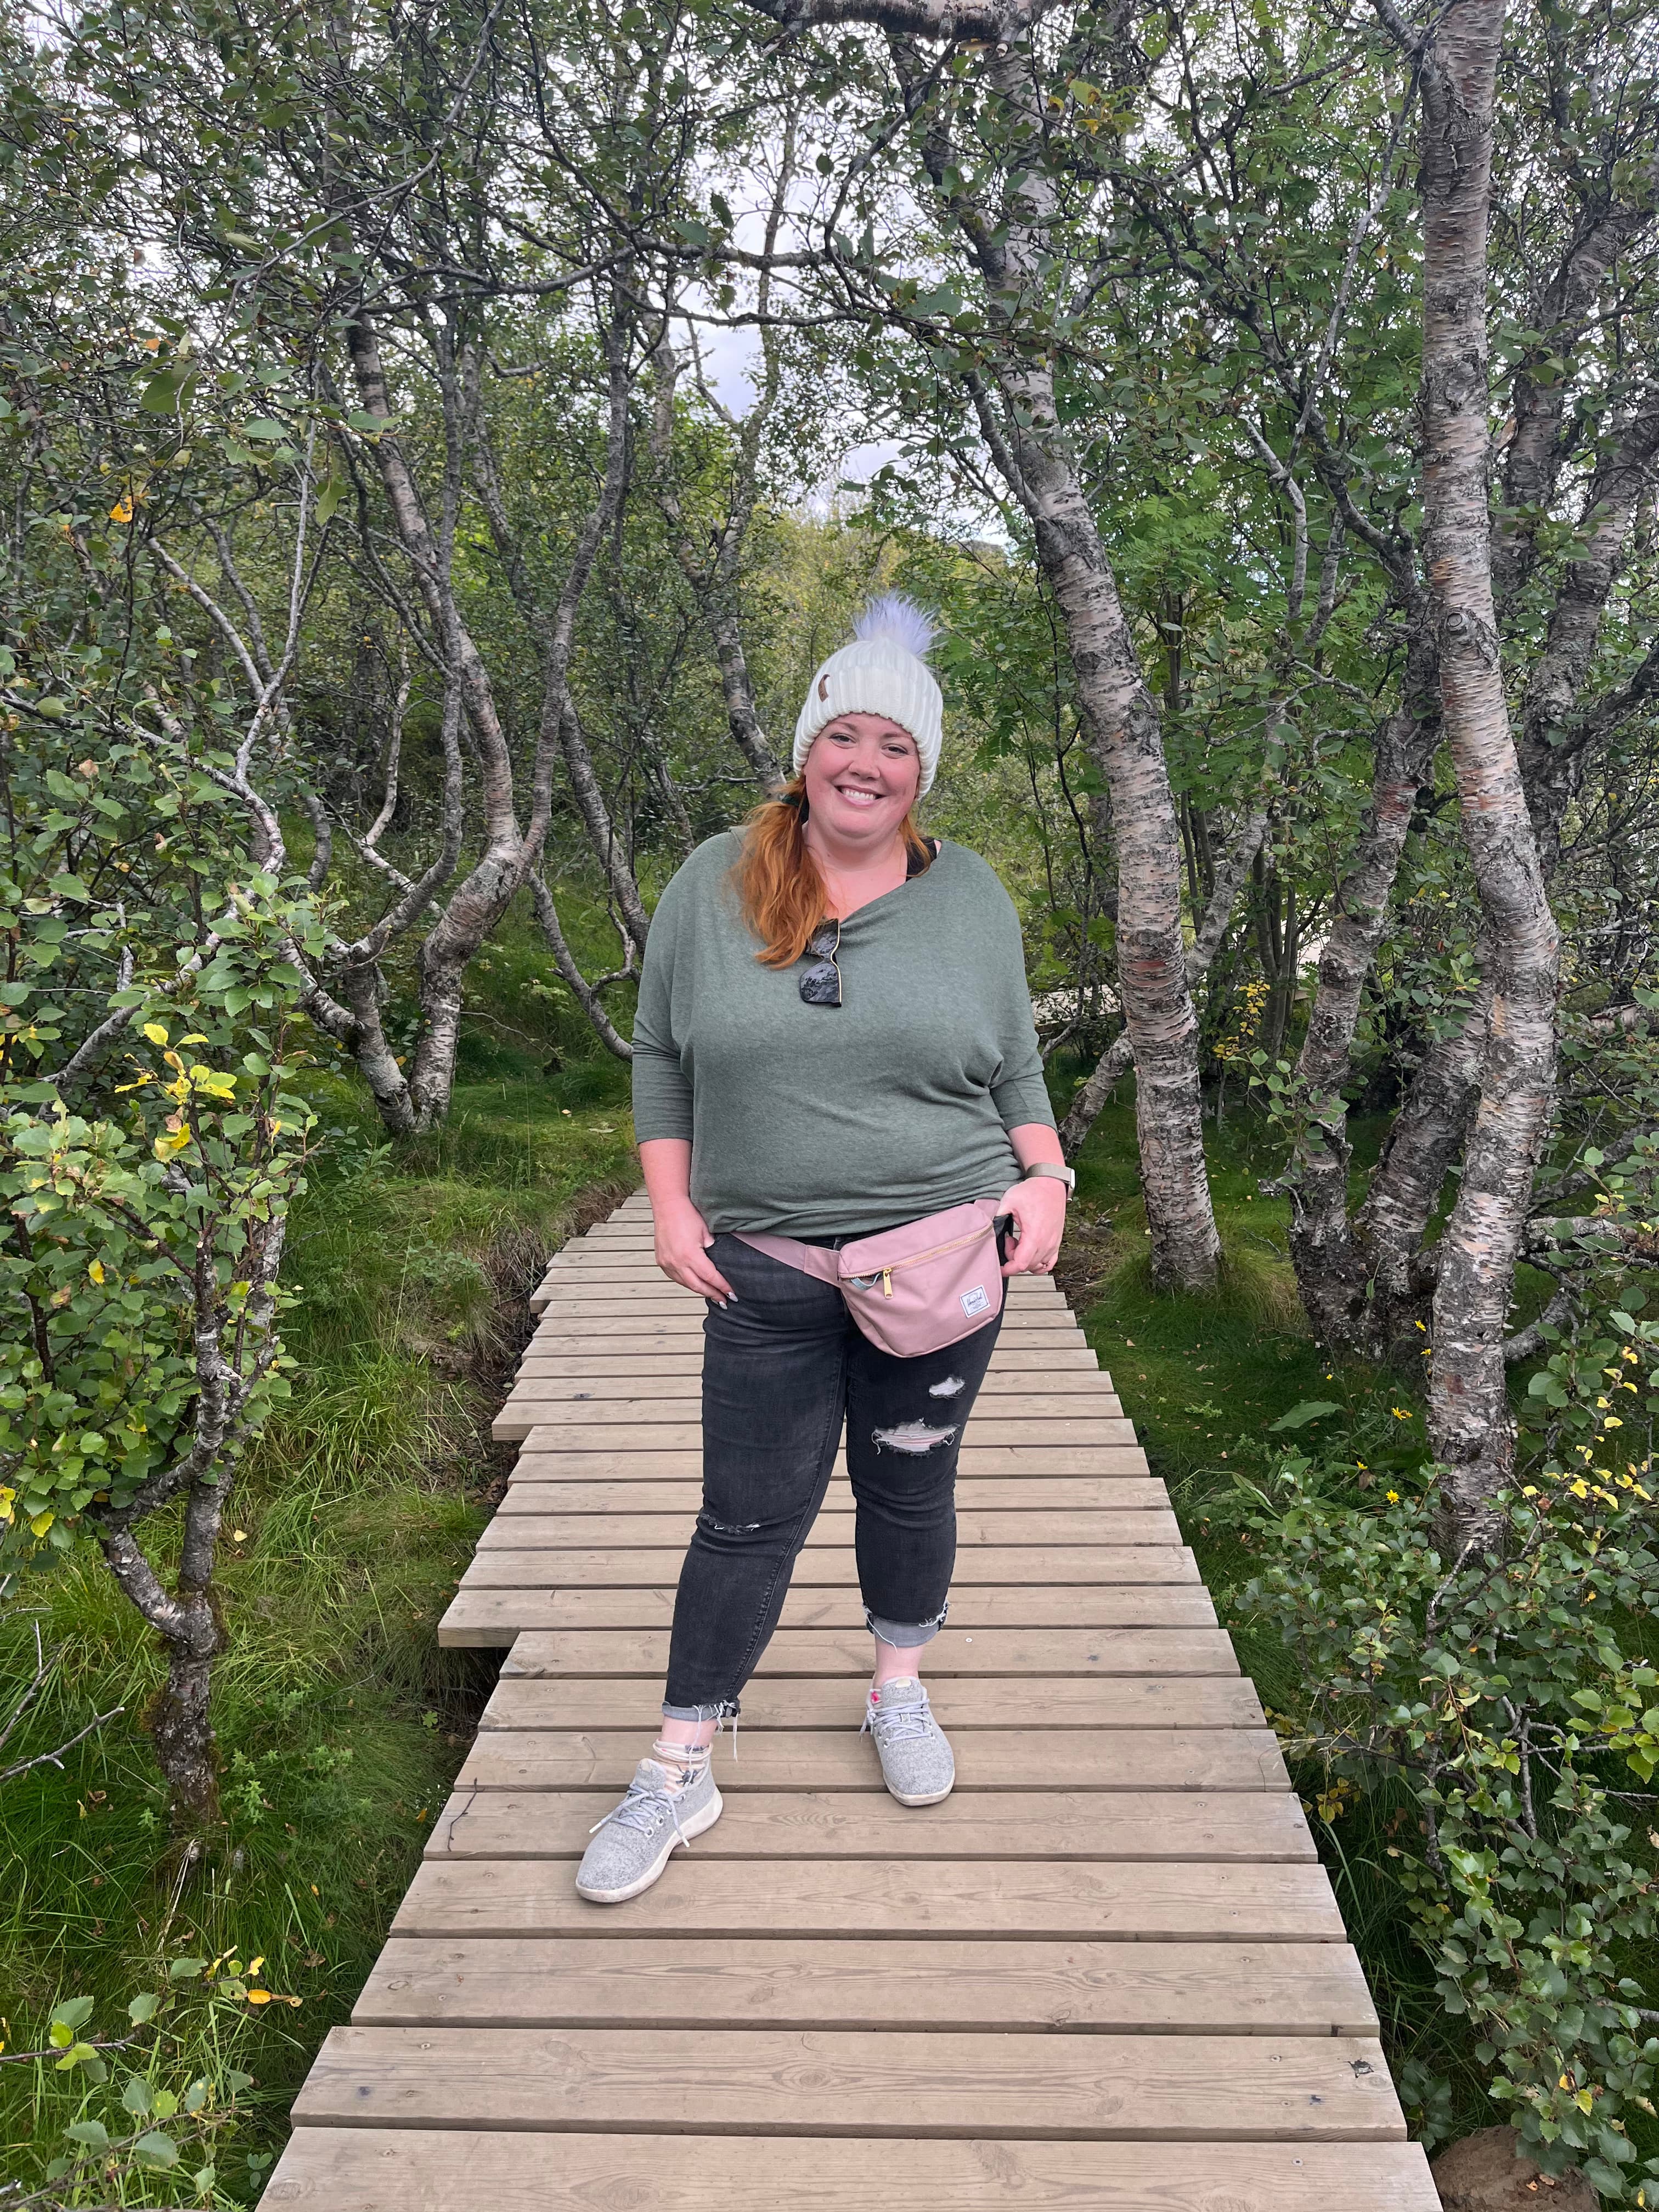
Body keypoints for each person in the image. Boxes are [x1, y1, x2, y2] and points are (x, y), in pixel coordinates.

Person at [575, 595, 1073, 1905]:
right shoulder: (713, 881)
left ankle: (896, 1687)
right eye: (845, 736)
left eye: (896, 746)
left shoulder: (970, 897)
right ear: (806, 751)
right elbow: (662, 1055)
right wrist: (671, 1208)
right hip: (767, 1266)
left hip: (944, 1253)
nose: (867, 764)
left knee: (910, 1485)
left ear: (923, 771)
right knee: (745, 1516)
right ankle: (681, 1763)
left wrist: (1048, 1176)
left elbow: (1015, 1063)